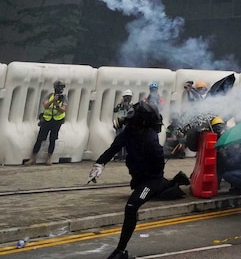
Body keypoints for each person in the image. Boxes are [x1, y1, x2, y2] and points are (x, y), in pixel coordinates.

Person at [89, 101, 190, 259]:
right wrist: (99, 164)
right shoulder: (130, 131)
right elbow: (113, 148)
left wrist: (148, 181)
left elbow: (157, 171)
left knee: (131, 206)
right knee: (148, 194)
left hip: (150, 180)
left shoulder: (150, 139)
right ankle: (175, 181)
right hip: (140, 177)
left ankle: (120, 251)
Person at [27, 80, 68, 165]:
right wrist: (53, 100)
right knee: (39, 139)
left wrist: (57, 105)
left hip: (57, 121)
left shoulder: (64, 98)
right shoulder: (49, 96)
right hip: (47, 119)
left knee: (52, 139)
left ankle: (49, 158)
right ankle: (33, 158)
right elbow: (45, 105)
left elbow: (63, 109)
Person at [112, 90, 135, 161]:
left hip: (127, 124)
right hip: (120, 124)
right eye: (126, 97)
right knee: (118, 139)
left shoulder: (131, 105)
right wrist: (120, 104)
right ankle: (118, 155)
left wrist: (126, 104)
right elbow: (115, 110)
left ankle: (125, 155)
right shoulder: (120, 105)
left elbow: (130, 111)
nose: (127, 99)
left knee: (127, 140)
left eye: (128, 97)